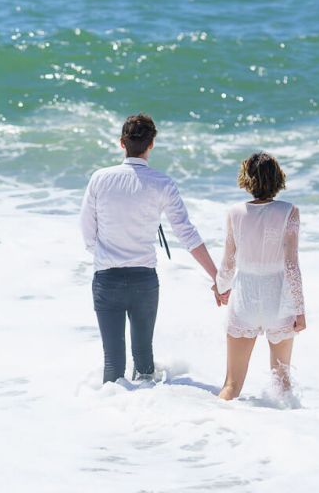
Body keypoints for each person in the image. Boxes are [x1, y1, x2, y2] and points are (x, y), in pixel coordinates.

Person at [80, 113, 222, 384]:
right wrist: (217, 276)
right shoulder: (162, 183)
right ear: (151, 144)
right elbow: (187, 233)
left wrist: (105, 256)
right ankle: (150, 417)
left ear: (122, 143)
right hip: (144, 282)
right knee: (145, 364)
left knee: (112, 366)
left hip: (106, 280)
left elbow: (87, 232)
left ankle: (113, 416)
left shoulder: (100, 179)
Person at [215, 152, 306, 400]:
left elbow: (228, 263)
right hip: (279, 301)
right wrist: (299, 309)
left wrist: (220, 287)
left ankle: (215, 431)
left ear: (247, 180)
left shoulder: (234, 212)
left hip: (244, 298)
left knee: (231, 386)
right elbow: (291, 266)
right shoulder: (290, 211)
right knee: (282, 387)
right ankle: (285, 435)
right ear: (278, 179)